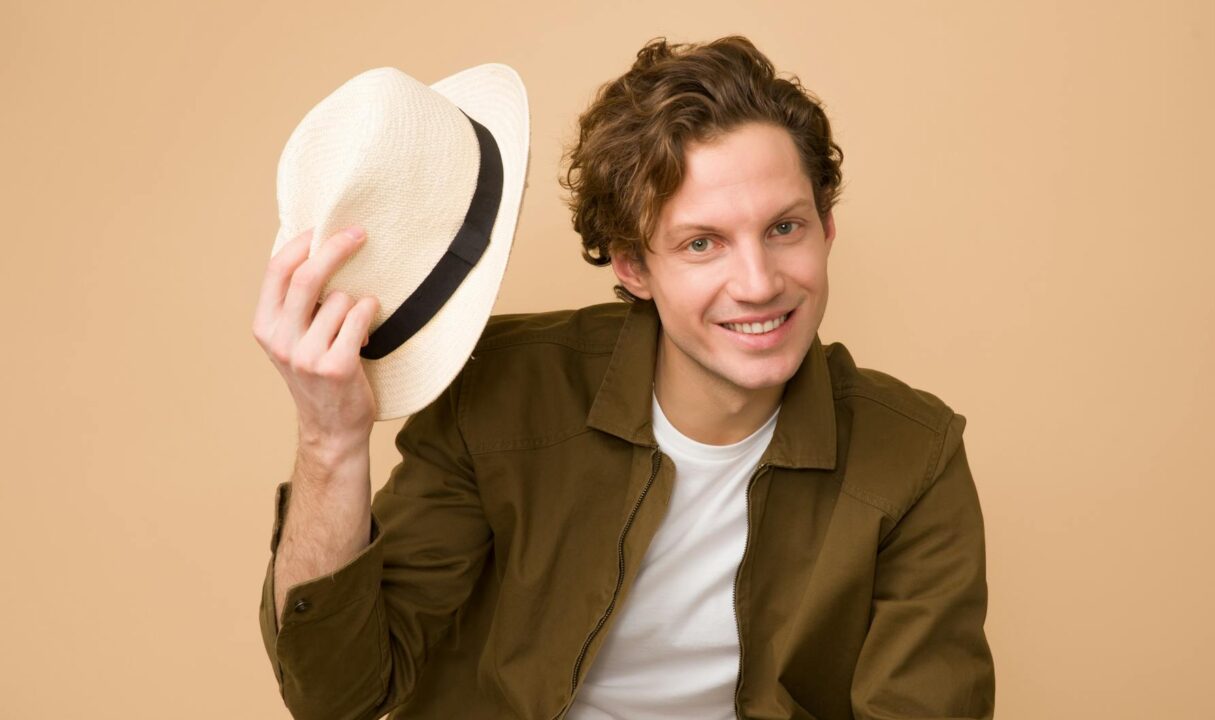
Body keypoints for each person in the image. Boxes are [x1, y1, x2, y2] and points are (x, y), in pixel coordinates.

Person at [252, 35, 995, 720]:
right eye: (702, 242)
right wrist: (329, 441)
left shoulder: (913, 457)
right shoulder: (497, 394)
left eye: (784, 228)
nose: (759, 282)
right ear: (635, 266)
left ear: (826, 229)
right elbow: (338, 696)